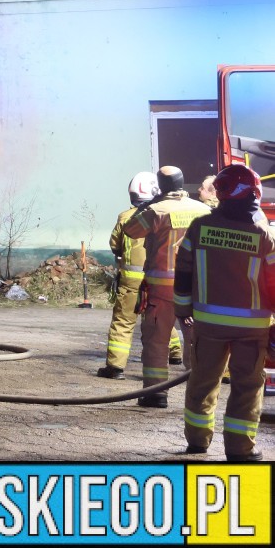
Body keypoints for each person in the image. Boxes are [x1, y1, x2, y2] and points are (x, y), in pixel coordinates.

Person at [173, 163, 275, 459]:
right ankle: (240, 449)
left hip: (208, 324)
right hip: (251, 327)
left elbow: (183, 273)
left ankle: (197, 441)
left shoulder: (200, 227)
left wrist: (183, 310)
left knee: (202, 382)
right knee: (247, 387)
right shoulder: (263, 234)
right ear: (252, 193)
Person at [122, 165, 211, 406]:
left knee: (156, 341)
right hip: (195, 288)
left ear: (160, 186)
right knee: (196, 340)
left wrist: (144, 207)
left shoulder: (155, 210)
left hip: (161, 288)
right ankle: (200, 395)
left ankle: (156, 394)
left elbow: (130, 231)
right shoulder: (203, 210)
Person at [98, 171, 180, 378]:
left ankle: (115, 367)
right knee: (160, 316)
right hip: (160, 279)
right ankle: (175, 353)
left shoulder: (126, 217)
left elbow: (115, 244)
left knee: (124, 322)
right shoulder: (165, 213)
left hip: (131, 281)